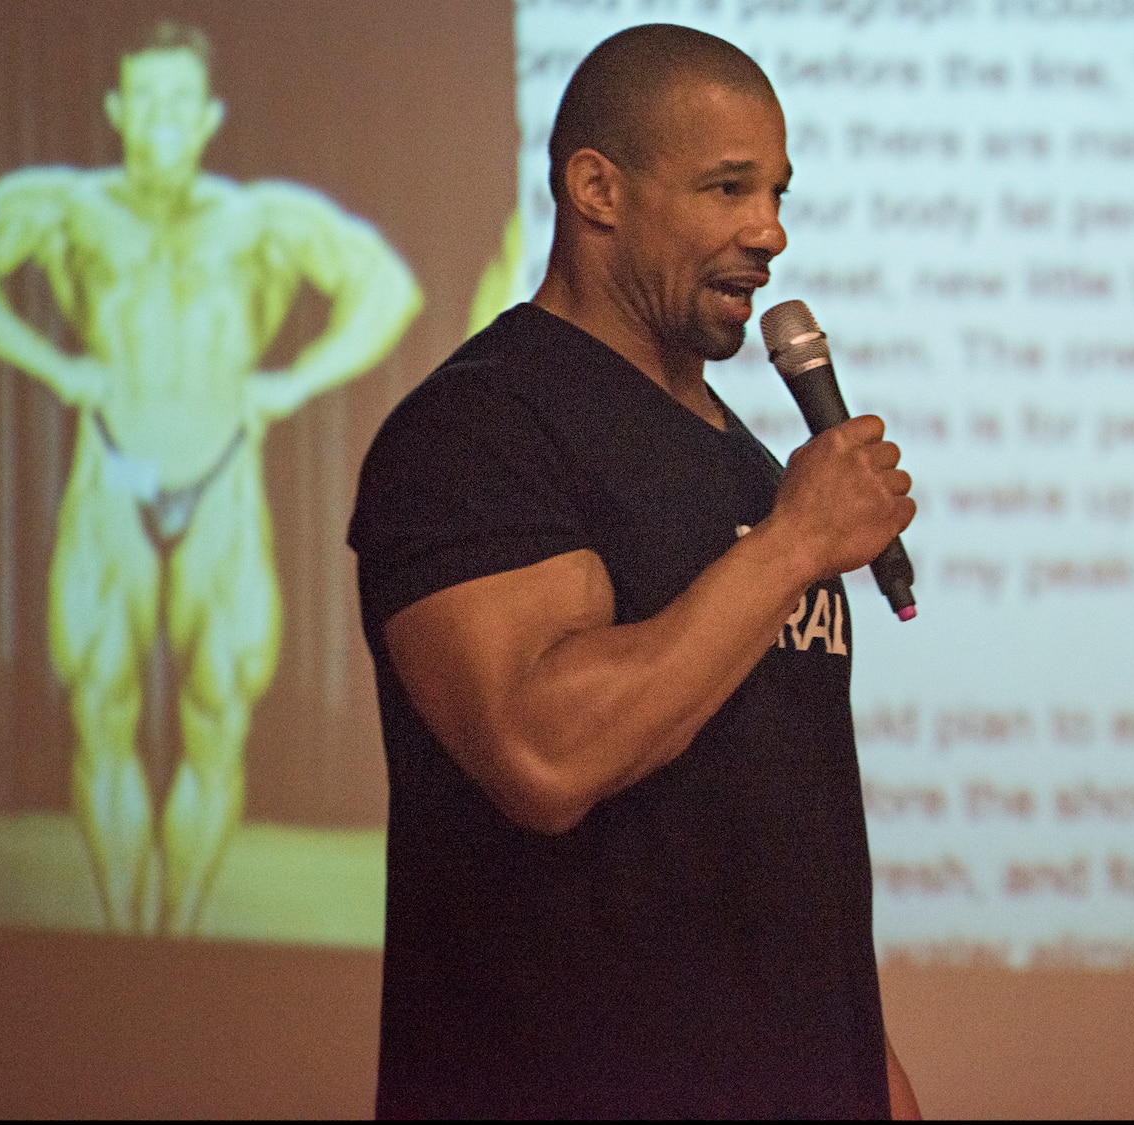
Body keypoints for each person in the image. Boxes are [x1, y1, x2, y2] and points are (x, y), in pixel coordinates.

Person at [347, 24, 922, 1118]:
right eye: (726, 189)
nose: (769, 234)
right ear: (597, 189)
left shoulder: (742, 463)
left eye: (778, 195)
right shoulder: (482, 430)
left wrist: (869, 1073)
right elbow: (540, 750)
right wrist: (795, 546)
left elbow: (773, 842)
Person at [0, 20, 420, 934]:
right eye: (146, 99)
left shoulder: (255, 219)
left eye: (180, 100)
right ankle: (128, 936)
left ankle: (177, 935)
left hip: (221, 481)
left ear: (209, 114)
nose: (163, 119)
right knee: (102, 705)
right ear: (117, 111)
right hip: (112, 473)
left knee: (218, 713)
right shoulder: (67, 207)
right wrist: (52, 365)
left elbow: (385, 287)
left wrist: (295, 380)